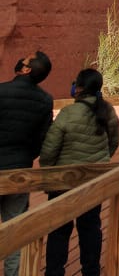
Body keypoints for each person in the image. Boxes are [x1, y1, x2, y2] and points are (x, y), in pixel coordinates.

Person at [40, 68, 119, 276]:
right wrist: (101, 162)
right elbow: (112, 142)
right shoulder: (107, 111)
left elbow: (50, 149)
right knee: (90, 228)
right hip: (93, 181)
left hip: (64, 180)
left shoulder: (68, 113)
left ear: (80, 88)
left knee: (59, 231)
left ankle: (54, 272)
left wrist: (48, 172)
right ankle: (91, 271)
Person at [0, 51, 54, 276]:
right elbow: (42, 139)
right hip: (19, 173)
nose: (21, 58)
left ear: (26, 69)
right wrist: (25, 157)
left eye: (24, 58)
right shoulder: (45, 100)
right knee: (16, 232)